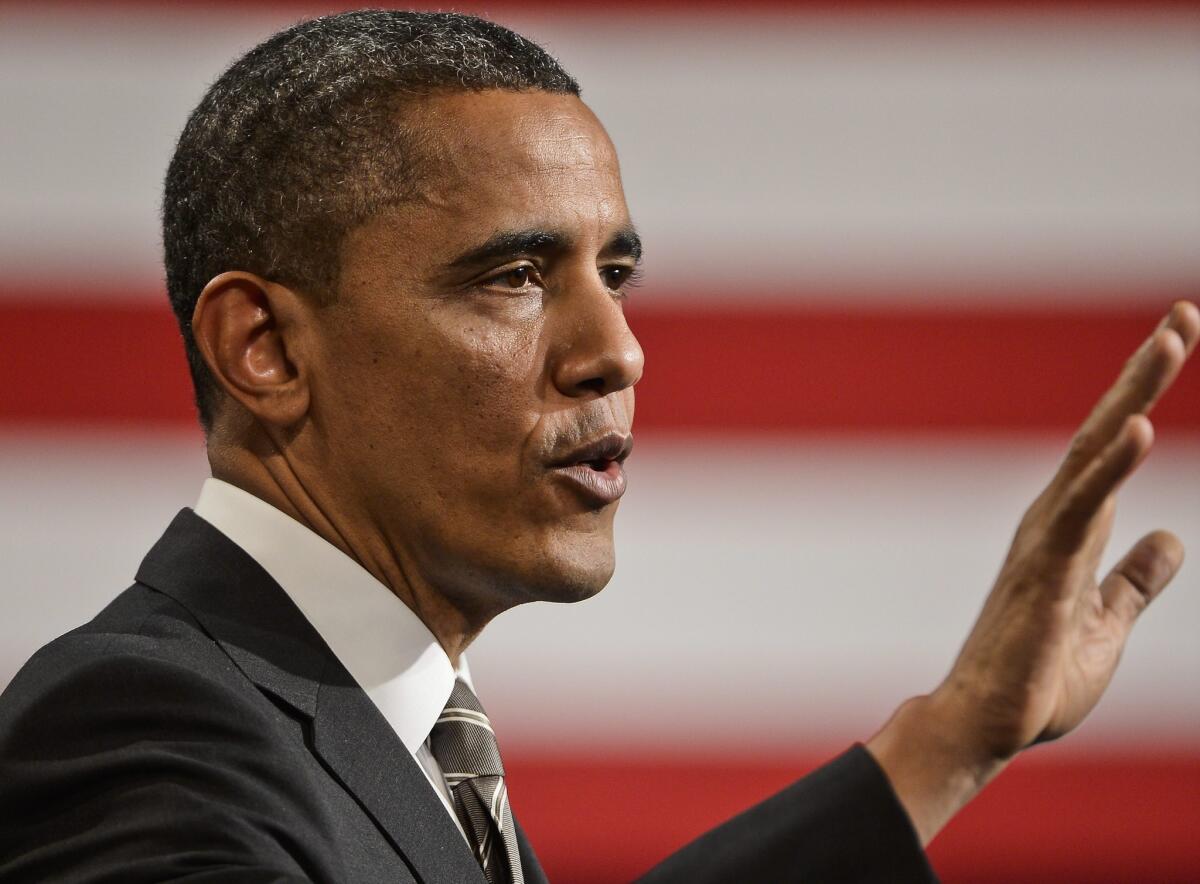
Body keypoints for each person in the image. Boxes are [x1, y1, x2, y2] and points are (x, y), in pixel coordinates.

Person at [0, 10, 1195, 883]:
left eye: (613, 273)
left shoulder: (411, 740)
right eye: (516, 276)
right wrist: (939, 746)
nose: (618, 349)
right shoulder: (142, 722)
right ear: (262, 345)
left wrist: (960, 729)